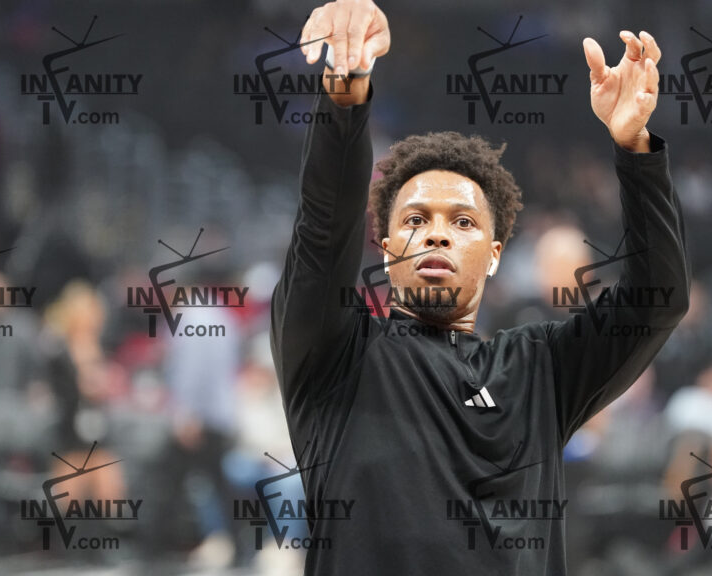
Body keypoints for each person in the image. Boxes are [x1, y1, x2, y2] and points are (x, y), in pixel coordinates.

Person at [269, 1, 690, 574]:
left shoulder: (541, 368)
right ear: (385, 249)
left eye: (463, 221)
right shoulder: (335, 355)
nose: (437, 233)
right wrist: (347, 83)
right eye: (415, 219)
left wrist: (636, 147)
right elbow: (323, 225)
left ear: (494, 257)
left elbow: (658, 300)